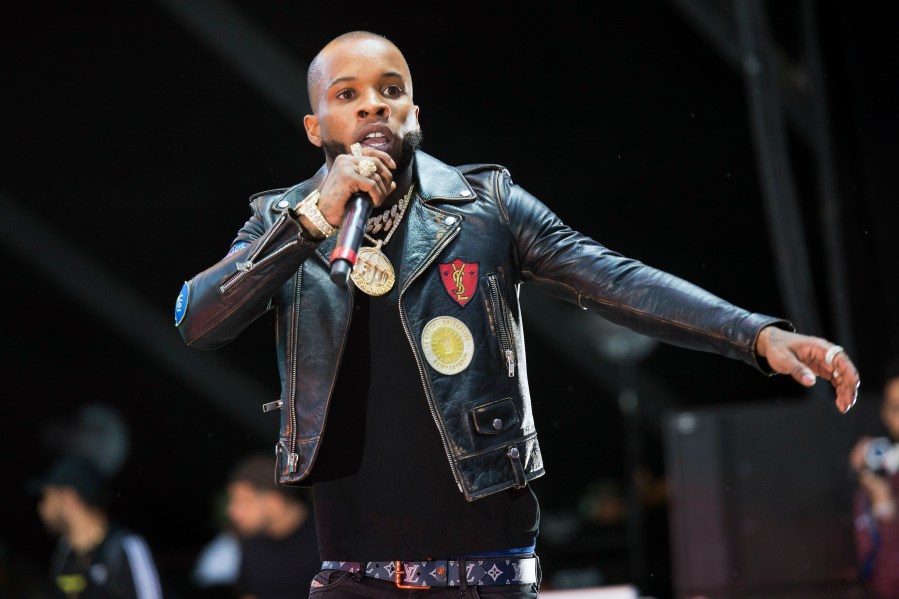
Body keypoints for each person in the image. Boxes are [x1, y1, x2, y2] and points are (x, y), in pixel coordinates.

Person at [173, 30, 861, 598]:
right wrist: (311, 220)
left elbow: (612, 278)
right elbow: (198, 320)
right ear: (313, 124)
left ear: (414, 111)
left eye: (391, 90)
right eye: (347, 95)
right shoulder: (280, 222)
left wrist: (755, 333)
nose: (373, 107)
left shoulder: (486, 204)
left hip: (488, 572)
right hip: (356, 577)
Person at [29, 454, 164, 599]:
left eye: (48, 497)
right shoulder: (64, 553)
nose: (42, 507)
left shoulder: (124, 548)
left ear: (69, 498)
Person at [225, 452, 321, 599]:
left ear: (274, 502)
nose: (232, 511)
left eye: (243, 501)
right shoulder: (252, 542)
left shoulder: (327, 537)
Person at [849, 358, 899, 598]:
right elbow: (884, 584)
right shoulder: (872, 487)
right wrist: (882, 503)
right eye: (898, 408)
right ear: (885, 414)